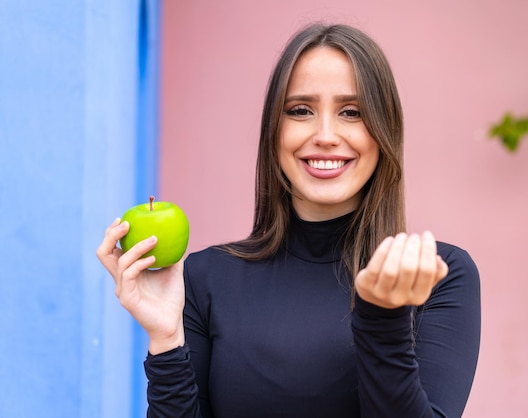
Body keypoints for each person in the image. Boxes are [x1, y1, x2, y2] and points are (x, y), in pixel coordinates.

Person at [97, 23, 481, 418]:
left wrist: (383, 317)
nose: (326, 135)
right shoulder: (204, 278)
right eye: (301, 111)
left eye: (352, 112)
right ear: (274, 132)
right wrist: (166, 338)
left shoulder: (436, 276)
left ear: (383, 131)